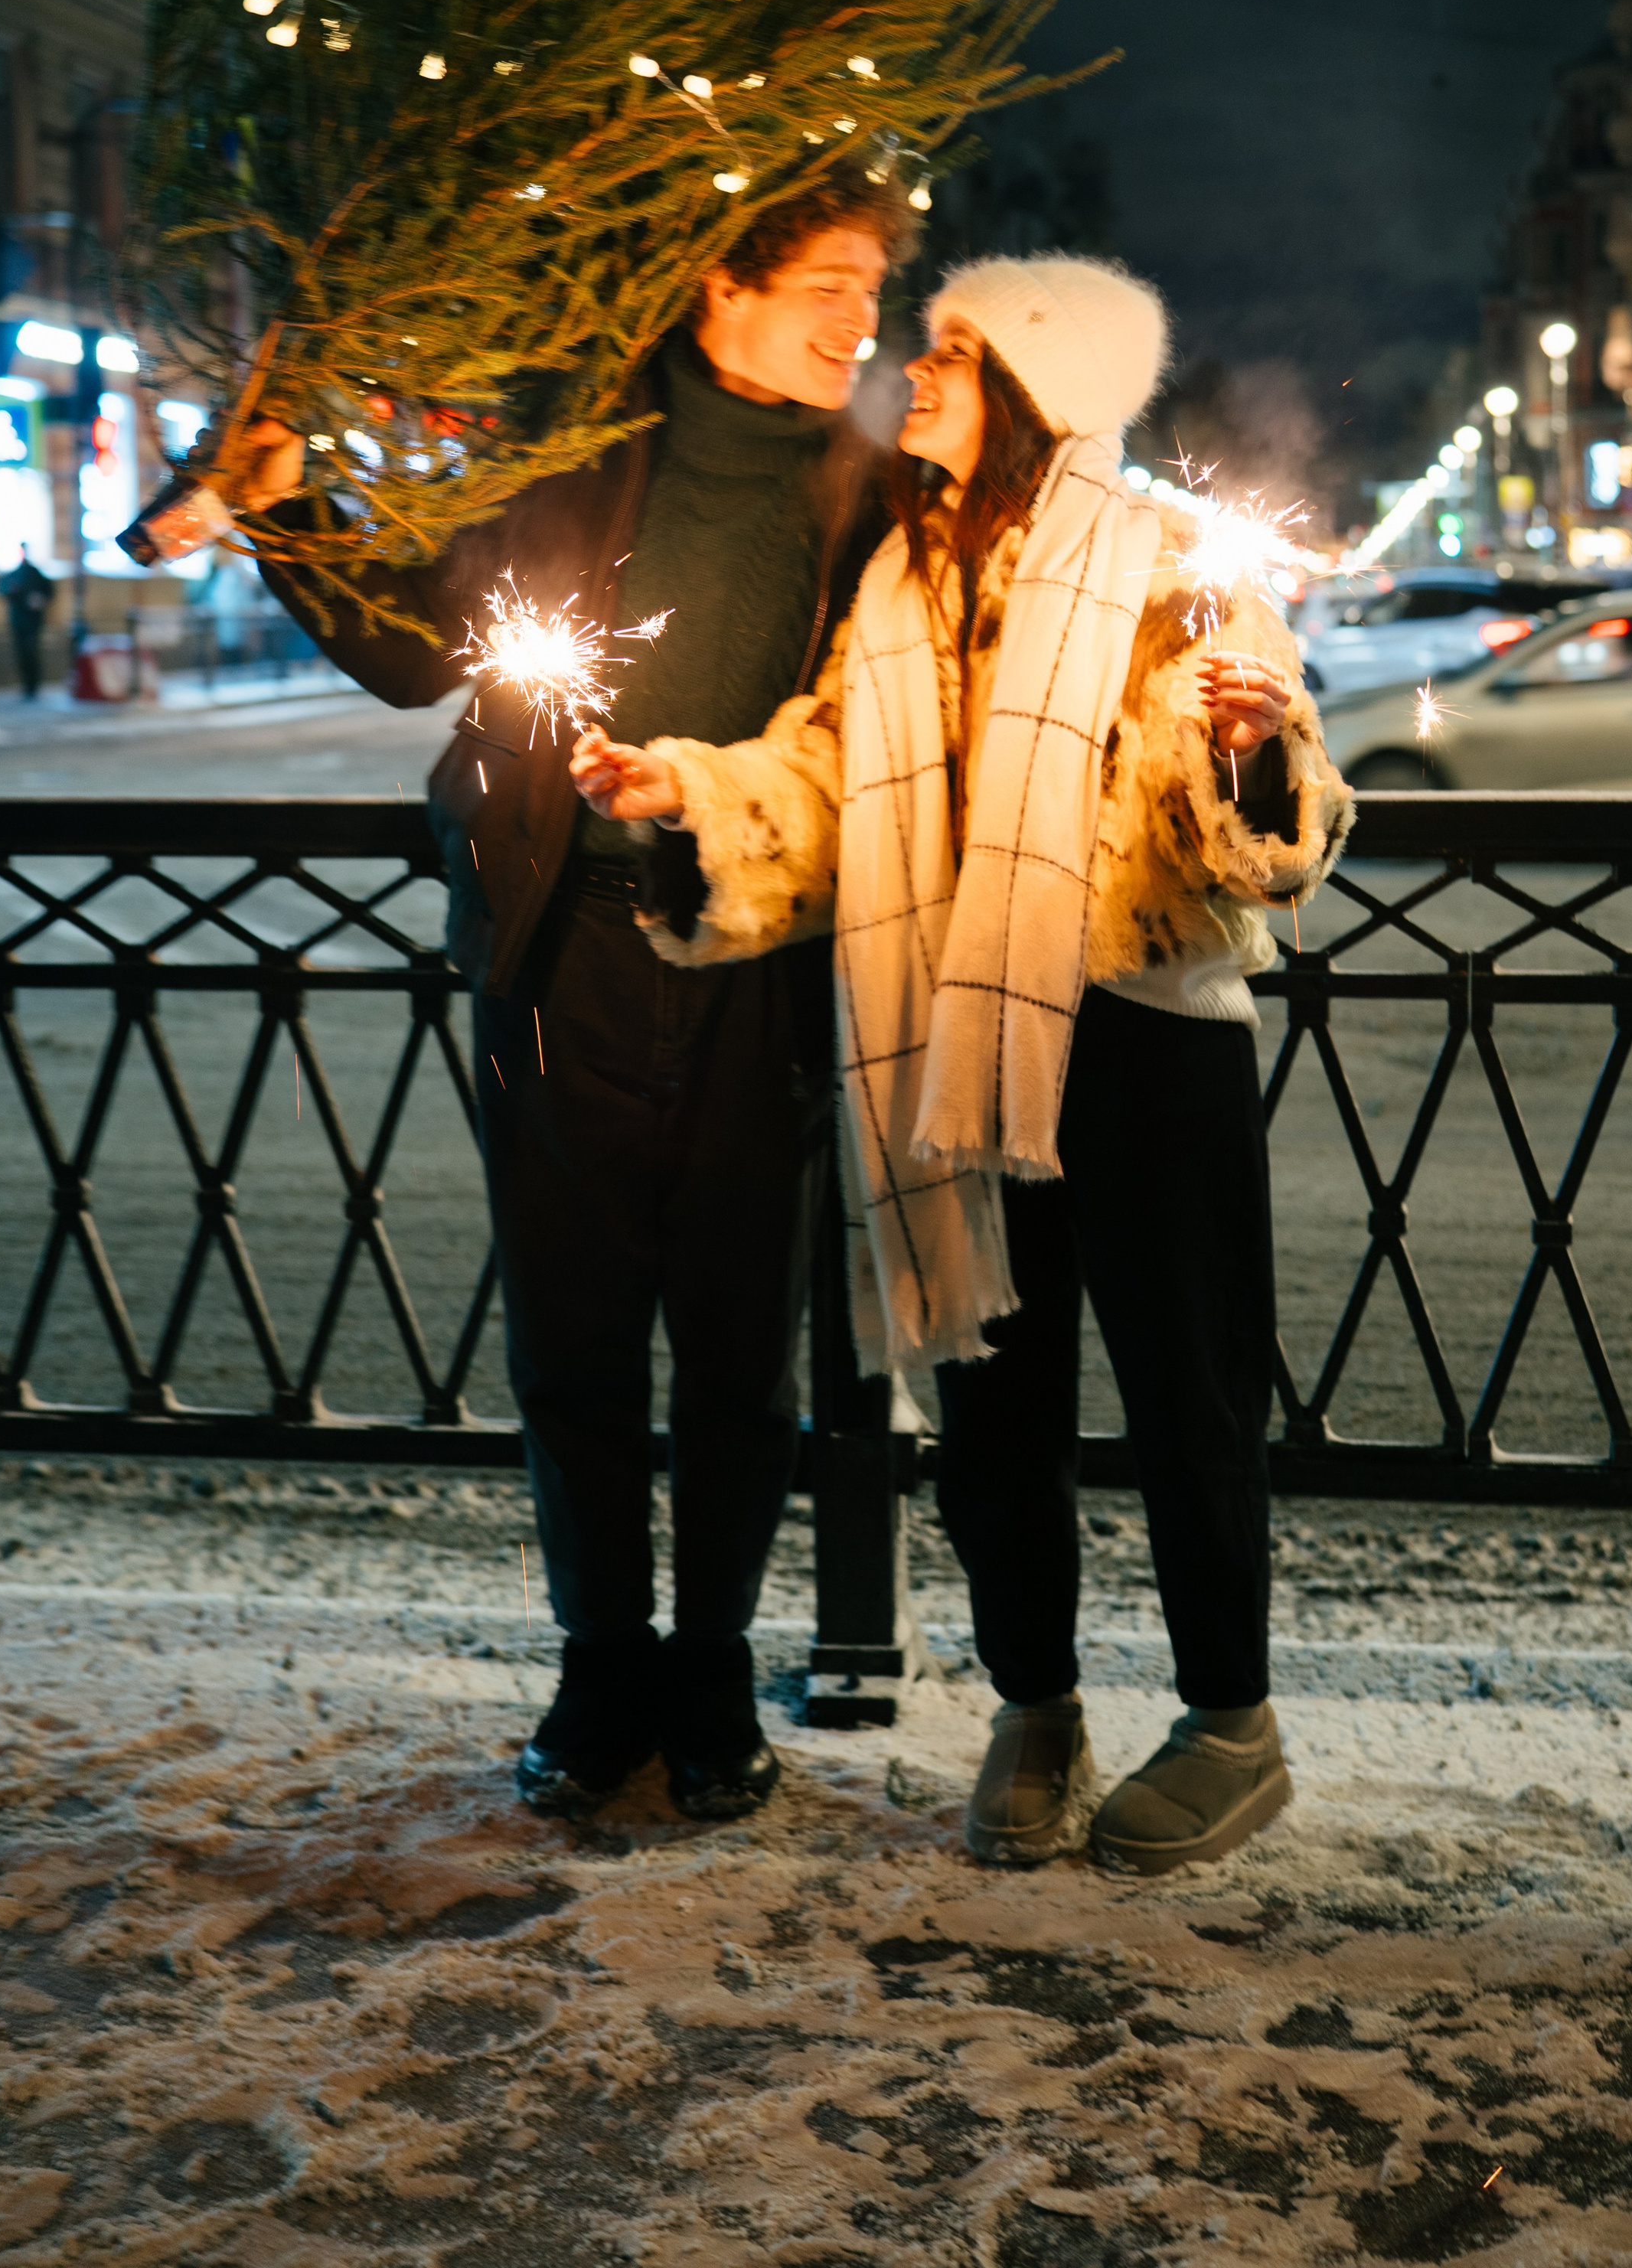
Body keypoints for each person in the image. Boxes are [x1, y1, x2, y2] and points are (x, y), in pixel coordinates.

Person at [572, 254, 1354, 1875]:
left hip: (1142, 1042)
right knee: (994, 1403)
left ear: (1034, 388)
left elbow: (1281, 828)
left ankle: (1230, 1721)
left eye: (948, 351)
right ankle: (1035, 1704)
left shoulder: (1161, 569)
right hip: (964, 1038)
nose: (912, 373)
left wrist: (1245, 745)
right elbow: (829, 775)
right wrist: (690, 794)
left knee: (1185, 1397)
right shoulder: (903, 584)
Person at [227, 170, 914, 1821]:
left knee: (745, 1355)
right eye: (825, 281)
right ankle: (600, 1662)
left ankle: (714, 1668)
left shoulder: (876, 498)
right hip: (567, 956)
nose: (856, 320)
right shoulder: (581, 460)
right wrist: (284, 505)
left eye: (870, 292)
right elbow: (413, 649)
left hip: (760, 959)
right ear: (717, 295)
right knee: (576, 1340)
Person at [0, 547, 54, 699]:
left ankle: (33, 685)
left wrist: (39, 599)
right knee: (22, 653)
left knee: (31, 651)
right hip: (18, 620)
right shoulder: (13, 574)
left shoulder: (35, 574)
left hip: (32, 621)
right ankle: (27, 685)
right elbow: (3, 590)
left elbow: (49, 591)